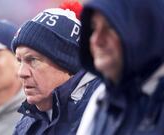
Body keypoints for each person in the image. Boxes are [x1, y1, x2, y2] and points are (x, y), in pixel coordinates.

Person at [11, 1, 101, 135]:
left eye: (33, 60)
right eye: (19, 61)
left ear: (67, 62)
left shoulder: (100, 108)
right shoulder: (27, 122)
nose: (21, 73)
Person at [77, 0, 164, 134]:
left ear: (146, 29)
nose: (96, 40)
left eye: (111, 27)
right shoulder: (101, 100)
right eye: (93, 28)